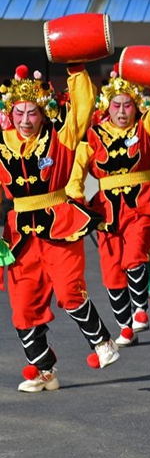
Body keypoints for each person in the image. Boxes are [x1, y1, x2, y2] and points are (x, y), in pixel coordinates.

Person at [0, 64, 120, 392]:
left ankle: (102, 343)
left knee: (69, 290)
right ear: (10, 114)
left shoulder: (59, 137)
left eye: (32, 113)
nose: (25, 120)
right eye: (20, 113)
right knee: (23, 305)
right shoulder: (1, 144)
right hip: (19, 234)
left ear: (43, 113)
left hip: (59, 224)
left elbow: (82, 106)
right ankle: (45, 371)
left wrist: (77, 70)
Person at [67, 66, 150, 347]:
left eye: (128, 104)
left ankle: (140, 310)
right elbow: (77, 171)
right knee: (112, 268)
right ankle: (125, 326)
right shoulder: (92, 137)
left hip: (143, 203)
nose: (123, 110)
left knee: (135, 254)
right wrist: (75, 202)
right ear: (107, 107)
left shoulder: (145, 127)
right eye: (117, 105)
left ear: (136, 106)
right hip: (106, 209)